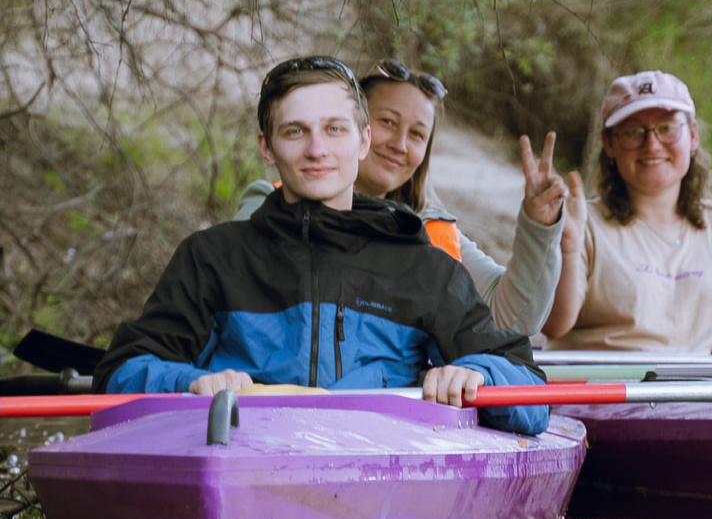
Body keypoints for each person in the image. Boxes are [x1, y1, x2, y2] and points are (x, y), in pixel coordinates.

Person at [98, 56, 548, 433]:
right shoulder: (210, 258)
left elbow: (531, 395)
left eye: (335, 129)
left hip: (379, 475)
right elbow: (120, 374)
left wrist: (477, 374)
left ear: (363, 140)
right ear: (267, 147)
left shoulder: (426, 269)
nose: (317, 149)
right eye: (295, 131)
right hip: (243, 459)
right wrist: (189, 384)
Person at [232, 58, 567, 337]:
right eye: (388, 122)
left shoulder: (432, 230)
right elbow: (235, 297)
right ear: (353, 129)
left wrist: (539, 226)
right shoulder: (269, 205)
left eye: (417, 134)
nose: (400, 145)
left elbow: (511, 320)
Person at [543, 70, 712, 356]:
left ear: (693, 136)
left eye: (667, 128)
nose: (651, 144)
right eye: (633, 132)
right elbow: (554, 326)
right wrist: (569, 248)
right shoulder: (581, 224)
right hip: (605, 394)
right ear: (609, 143)